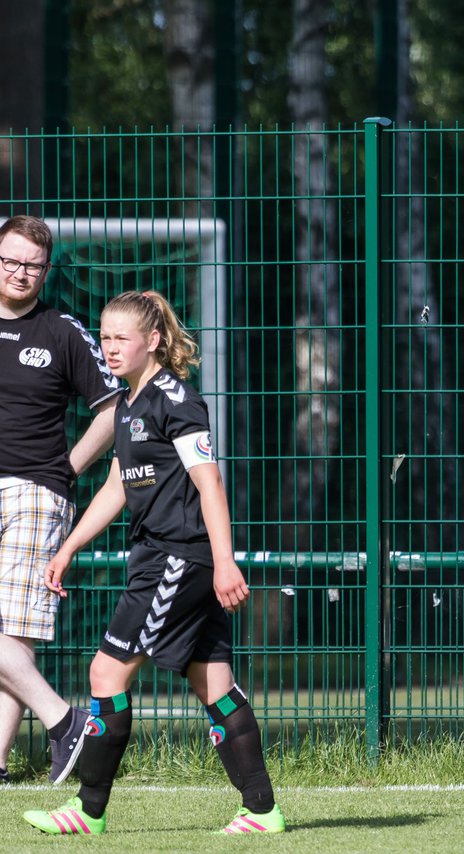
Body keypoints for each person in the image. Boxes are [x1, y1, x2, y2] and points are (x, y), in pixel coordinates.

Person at [24, 291, 284, 835]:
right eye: (104, 337)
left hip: (178, 558)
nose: (109, 348)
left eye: (121, 338)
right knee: (212, 682)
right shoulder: (128, 403)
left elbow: (208, 482)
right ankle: (263, 811)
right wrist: (69, 546)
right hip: (165, 557)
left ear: (154, 340)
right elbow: (119, 483)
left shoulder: (175, 399)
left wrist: (224, 563)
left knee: (105, 671)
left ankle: (87, 811)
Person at [0, 214, 120, 784]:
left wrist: (65, 467)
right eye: (11, 260)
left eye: (32, 264)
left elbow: (112, 411)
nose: (20, 272)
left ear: (46, 270)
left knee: (14, 633)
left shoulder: (64, 331)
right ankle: (66, 722)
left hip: (35, 491)